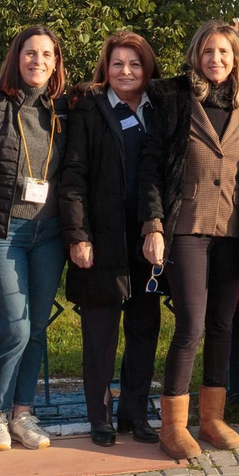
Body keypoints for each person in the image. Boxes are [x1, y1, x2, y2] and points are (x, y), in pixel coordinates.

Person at [140, 22, 239, 459]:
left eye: (223, 52)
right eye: (207, 52)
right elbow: (152, 167)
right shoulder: (174, 101)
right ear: (195, 57)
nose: (215, 60)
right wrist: (153, 225)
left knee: (223, 326)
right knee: (191, 326)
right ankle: (174, 426)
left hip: (233, 233)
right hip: (186, 230)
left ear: (236, 59)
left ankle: (213, 418)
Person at [59, 31, 164, 448]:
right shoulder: (89, 108)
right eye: (117, 63)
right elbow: (73, 176)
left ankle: (134, 413)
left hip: (148, 239)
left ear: (147, 68)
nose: (126, 72)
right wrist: (78, 235)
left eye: (135, 64)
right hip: (102, 239)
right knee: (100, 335)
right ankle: (99, 417)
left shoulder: (161, 107)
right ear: (106, 67)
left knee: (145, 329)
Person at [0, 26, 69, 452]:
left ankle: (22, 413)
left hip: (50, 233)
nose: (38, 61)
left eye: (47, 54)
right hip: (3, 230)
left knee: (38, 328)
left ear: (56, 62)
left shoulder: (64, 109)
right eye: (30, 53)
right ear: (17, 57)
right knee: (16, 326)